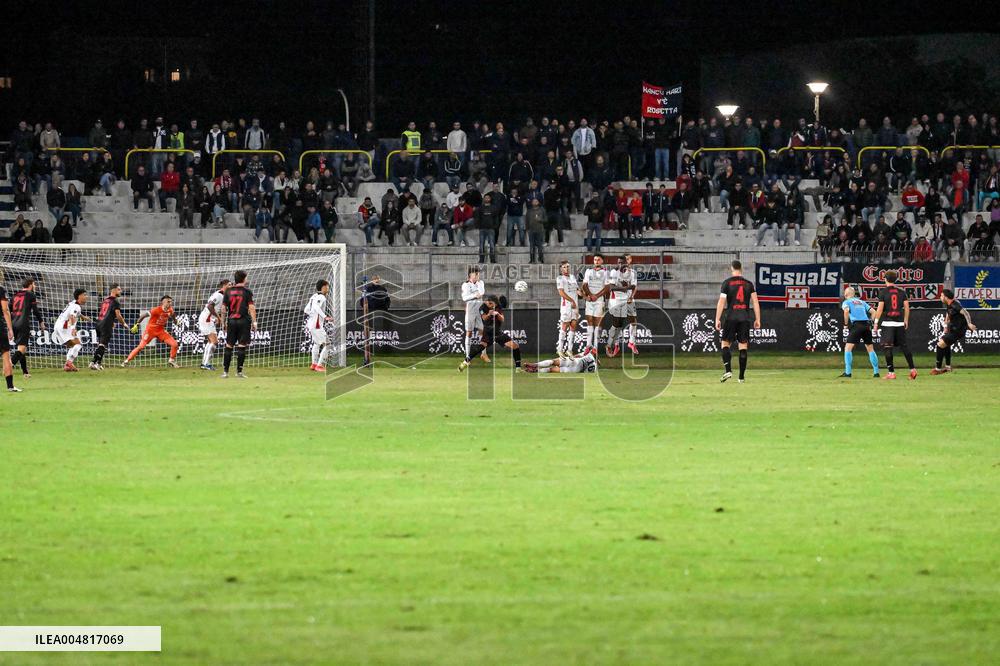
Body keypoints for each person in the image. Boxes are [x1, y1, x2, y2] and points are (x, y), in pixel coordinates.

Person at [715, 260, 760, 383]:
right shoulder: (749, 284)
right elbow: (755, 302)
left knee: (725, 344)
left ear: (732, 268)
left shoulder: (727, 283)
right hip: (744, 318)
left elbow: (721, 302)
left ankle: (728, 370)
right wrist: (758, 319)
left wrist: (717, 318)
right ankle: (741, 377)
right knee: (743, 347)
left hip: (731, 317)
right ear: (741, 269)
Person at [871, 269, 917, 380]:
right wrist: (906, 320)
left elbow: (880, 309)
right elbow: (906, 307)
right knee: (904, 346)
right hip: (900, 323)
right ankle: (912, 369)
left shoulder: (883, 292)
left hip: (888, 323)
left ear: (885, 279)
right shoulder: (902, 292)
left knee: (887, 347)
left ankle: (891, 373)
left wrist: (876, 323)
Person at [122, 296, 179, 368]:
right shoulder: (156, 310)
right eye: (168, 301)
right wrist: (137, 324)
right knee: (141, 347)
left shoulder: (170, 310)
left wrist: (176, 322)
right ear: (163, 302)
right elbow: (143, 315)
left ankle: (171, 360)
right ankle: (126, 361)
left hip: (161, 331)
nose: (170, 303)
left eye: (171, 302)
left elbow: (173, 316)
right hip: (150, 331)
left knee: (175, 344)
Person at [221, 271, 257, 378]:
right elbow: (251, 307)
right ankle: (239, 372)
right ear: (243, 279)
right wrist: (254, 322)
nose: (247, 279)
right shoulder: (247, 292)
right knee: (242, 346)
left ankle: (225, 372)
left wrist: (223, 323)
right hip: (244, 321)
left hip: (231, 321)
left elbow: (223, 309)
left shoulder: (227, 291)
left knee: (229, 345)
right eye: (246, 278)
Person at [931, 289, 976, 374]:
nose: (940, 297)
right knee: (946, 345)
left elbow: (966, 313)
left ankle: (937, 369)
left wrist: (969, 324)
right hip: (953, 329)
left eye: (941, 295)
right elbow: (948, 312)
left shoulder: (955, 305)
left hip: (958, 331)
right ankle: (948, 367)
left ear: (946, 297)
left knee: (940, 345)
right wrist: (946, 322)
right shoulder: (949, 304)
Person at [838, 286, 880, 378]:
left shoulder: (846, 302)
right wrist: (871, 321)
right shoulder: (862, 302)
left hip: (856, 325)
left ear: (846, 294)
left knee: (848, 348)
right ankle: (876, 372)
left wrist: (845, 324)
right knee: (870, 348)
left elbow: (846, 311)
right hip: (866, 325)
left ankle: (848, 372)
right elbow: (874, 312)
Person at [9, 278, 45, 378]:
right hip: (23, 323)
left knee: (21, 349)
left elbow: (9, 309)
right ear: (30, 285)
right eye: (34, 284)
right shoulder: (30, 295)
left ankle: (25, 372)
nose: (35, 286)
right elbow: (35, 310)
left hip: (14, 323)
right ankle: (8, 366)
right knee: (21, 349)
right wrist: (41, 321)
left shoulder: (15, 295)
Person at [606, 254, 640, 356]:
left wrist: (631, 297)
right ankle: (614, 344)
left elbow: (634, 286)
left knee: (633, 321)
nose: (620, 264)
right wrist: (624, 288)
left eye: (622, 262)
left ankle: (631, 342)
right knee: (617, 324)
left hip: (629, 300)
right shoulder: (614, 272)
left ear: (627, 262)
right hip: (617, 300)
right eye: (619, 262)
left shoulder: (632, 273)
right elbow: (611, 287)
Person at [89, 284, 127, 371]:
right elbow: (118, 315)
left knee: (101, 344)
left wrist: (112, 322)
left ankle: (94, 362)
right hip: (105, 325)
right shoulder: (115, 301)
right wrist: (124, 324)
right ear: (113, 290)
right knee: (102, 344)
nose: (120, 291)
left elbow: (106, 312)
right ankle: (96, 363)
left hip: (99, 323)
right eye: (119, 289)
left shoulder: (105, 300)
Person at [52, 288, 89, 372]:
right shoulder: (76, 306)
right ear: (79, 296)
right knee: (78, 344)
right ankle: (69, 362)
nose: (86, 297)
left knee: (72, 345)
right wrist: (73, 328)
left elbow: (75, 313)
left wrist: (83, 317)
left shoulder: (72, 303)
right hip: (65, 326)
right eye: (84, 295)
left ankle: (67, 366)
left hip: (58, 326)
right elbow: (72, 316)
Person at [197, 280, 230, 371]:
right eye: (229, 285)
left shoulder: (222, 295)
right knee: (214, 342)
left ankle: (205, 363)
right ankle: (205, 364)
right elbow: (209, 306)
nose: (231, 286)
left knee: (211, 342)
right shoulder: (219, 295)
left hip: (209, 319)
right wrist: (219, 318)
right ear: (224, 285)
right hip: (206, 319)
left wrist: (220, 320)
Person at [581, 255, 609, 355]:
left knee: (597, 323)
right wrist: (590, 295)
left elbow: (607, 287)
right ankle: (588, 346)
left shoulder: (605, 272)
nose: (596, 261)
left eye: (598, 260)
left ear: (602, 261)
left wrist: (596, 296)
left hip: (599, 300)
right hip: (590, 300)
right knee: (589, 322)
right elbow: (584, 285)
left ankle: (595, 347)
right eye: (595, 259)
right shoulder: (588, 271)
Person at [459, 267, 486, 369]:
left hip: (479, 310)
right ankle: (467, 357)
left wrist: (474, 295)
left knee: (482, 330)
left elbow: (482, 292)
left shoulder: (481, 283)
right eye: (476, 274)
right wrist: (475, 295)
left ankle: (483, 354)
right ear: (470, 275)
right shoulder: (465, 285)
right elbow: (465, 298)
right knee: (469, 332)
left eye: (478, 274)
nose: (478, 276)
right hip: (470, 310)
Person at [304, 280, 334, 372]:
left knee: (316, 344)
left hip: (311, 324)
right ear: (323, 287)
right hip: (317, 325)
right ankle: (319, 366)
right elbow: (316, 307)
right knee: (328, 344)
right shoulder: (321, 297)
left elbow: (306, 310)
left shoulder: (314, 296)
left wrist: (313, 316)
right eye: (327, 286)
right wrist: (325, 317)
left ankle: (314, 364)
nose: (328, 288)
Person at [0, 283, 21, 392]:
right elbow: (5, 310)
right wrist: (10, 328)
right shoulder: (1, 290)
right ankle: (10, 386)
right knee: (6, 355)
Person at [556, 260, 580, 358]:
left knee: (573, 325)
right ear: (561, 269)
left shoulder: (573, 277)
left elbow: (577, 290)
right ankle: (560, 349)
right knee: (565, 326)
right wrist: (572, 301)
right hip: (566, 306)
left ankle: (569, 350)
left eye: (568, 267)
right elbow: (561, 293)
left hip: (575, 305)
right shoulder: (560, 278)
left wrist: (582, 293)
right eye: (564, 267)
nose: (567, 268)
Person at [523, 350, 598, 374]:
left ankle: (534, 365)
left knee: (553, 362)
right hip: (576, 370)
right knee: (551, 370)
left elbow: (578, 356)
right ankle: (536, 370)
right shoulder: (594, 368)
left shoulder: (590, 355)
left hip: (575, 361)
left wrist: (572, 357)